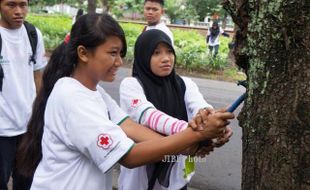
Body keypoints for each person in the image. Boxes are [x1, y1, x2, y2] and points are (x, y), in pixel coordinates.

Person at [16, 13, 234, 190]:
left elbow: (132, 128)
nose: (119, 62)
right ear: (83, 53)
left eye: (121, 53)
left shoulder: (97, 93)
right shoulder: (72, 97)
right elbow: (129, 156)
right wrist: (197, 134)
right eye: (112, 53)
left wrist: (190, 147)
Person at [118, 29, 233, 190]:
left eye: (169, 52)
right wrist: (194, 131)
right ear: (144, 56)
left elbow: (199, 105)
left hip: (178, 177)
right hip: (141, 178)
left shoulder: (185, 84)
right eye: (156, 53)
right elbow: (148, 115)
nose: (166, 58)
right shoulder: (131, 85)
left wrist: (215, 121)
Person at [0, 0, 47, 189]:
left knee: (27, 182)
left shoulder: (33, 34)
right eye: (11, 5)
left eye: (23, 5)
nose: (19, 11)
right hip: (2, 130)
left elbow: (38, 77)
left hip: (28, 127)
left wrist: (41, 116)